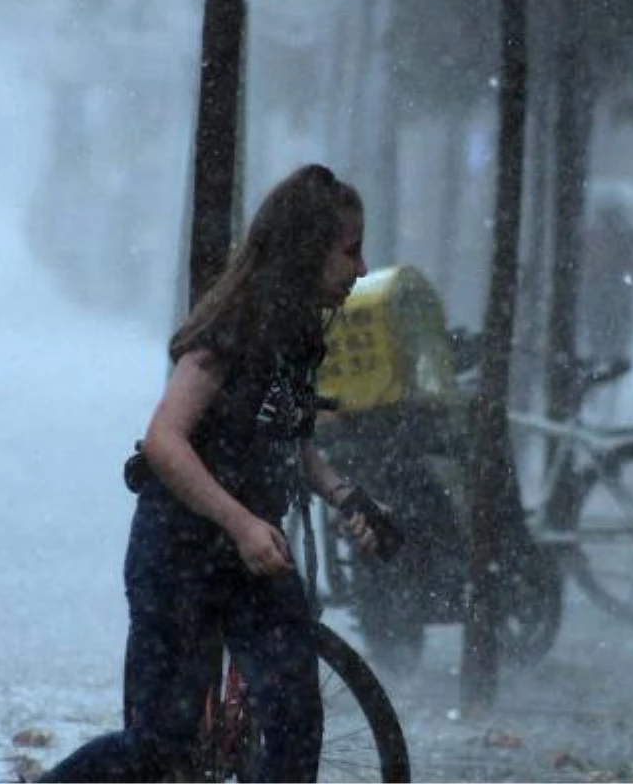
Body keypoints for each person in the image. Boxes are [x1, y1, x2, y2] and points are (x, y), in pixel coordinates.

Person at [35, 164, 387, 783]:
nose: (361, 268)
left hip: (254, 559)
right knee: (160, 746)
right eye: (350, 250)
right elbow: (164, 440)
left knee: (295, 721)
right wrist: (240, 522)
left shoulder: (303, 332)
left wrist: (344, 495)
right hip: (181, 555)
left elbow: (289, 435)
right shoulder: (238, 325)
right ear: (307, 248)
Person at [579, 200, 633, 361]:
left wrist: (630, 275)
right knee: (601, 318)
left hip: (614, 284)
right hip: (600, 284)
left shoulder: (627, 237)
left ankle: (610, 351)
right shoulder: (595, 235)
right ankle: (604, 350)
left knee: (610, 318)